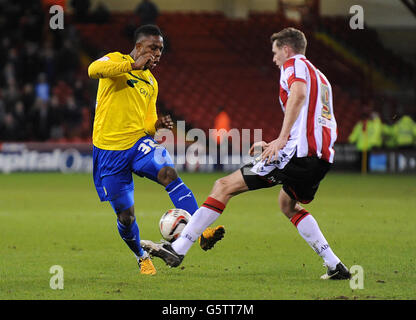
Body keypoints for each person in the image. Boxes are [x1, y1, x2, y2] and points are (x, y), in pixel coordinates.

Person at [141, 27, 351, 280]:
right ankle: (334, 265)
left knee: (223, 186)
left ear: (286, 49)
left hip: (298, 153)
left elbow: (299, 94)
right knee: (287, 204)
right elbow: (312, 118)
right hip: (321, 157)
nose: (273, 59)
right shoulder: (322, 78)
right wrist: (278, 141)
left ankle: (178, 249)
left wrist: (283, 141)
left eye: (275, 53)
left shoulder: (293, 65)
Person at [88, 25, 224, 276]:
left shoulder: (151, 82)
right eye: (153, 48)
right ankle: (141, 256)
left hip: (138, 143)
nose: (158, 53)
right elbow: (93, 69)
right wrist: (132, 65)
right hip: (109, 152)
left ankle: (202, 230)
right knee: (126, 217)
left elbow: (147, 125)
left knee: (168, 173)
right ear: (138, 47)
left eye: (161, 49)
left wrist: (156, 125)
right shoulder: (117, 61)